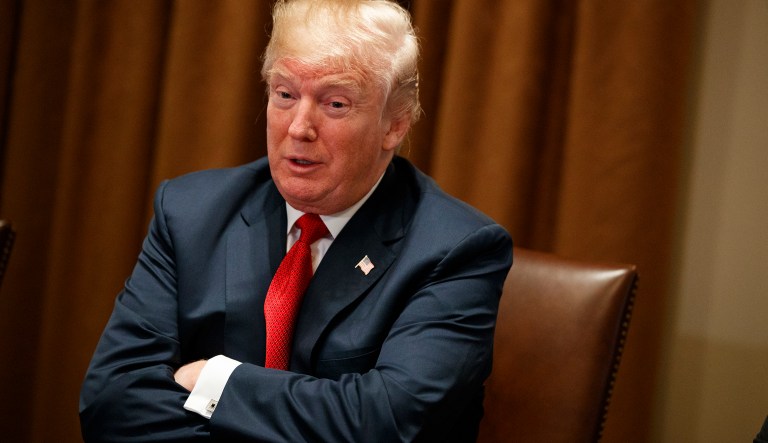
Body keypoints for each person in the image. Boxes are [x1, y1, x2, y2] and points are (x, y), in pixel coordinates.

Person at [79, 0, 513, 441]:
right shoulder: (191, 212)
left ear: (394, 125)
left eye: (335, 103)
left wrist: (216, 382)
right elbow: (111, 400)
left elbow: (387, 421)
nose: (299, 127)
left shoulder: (457, 249)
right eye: (285, 94)